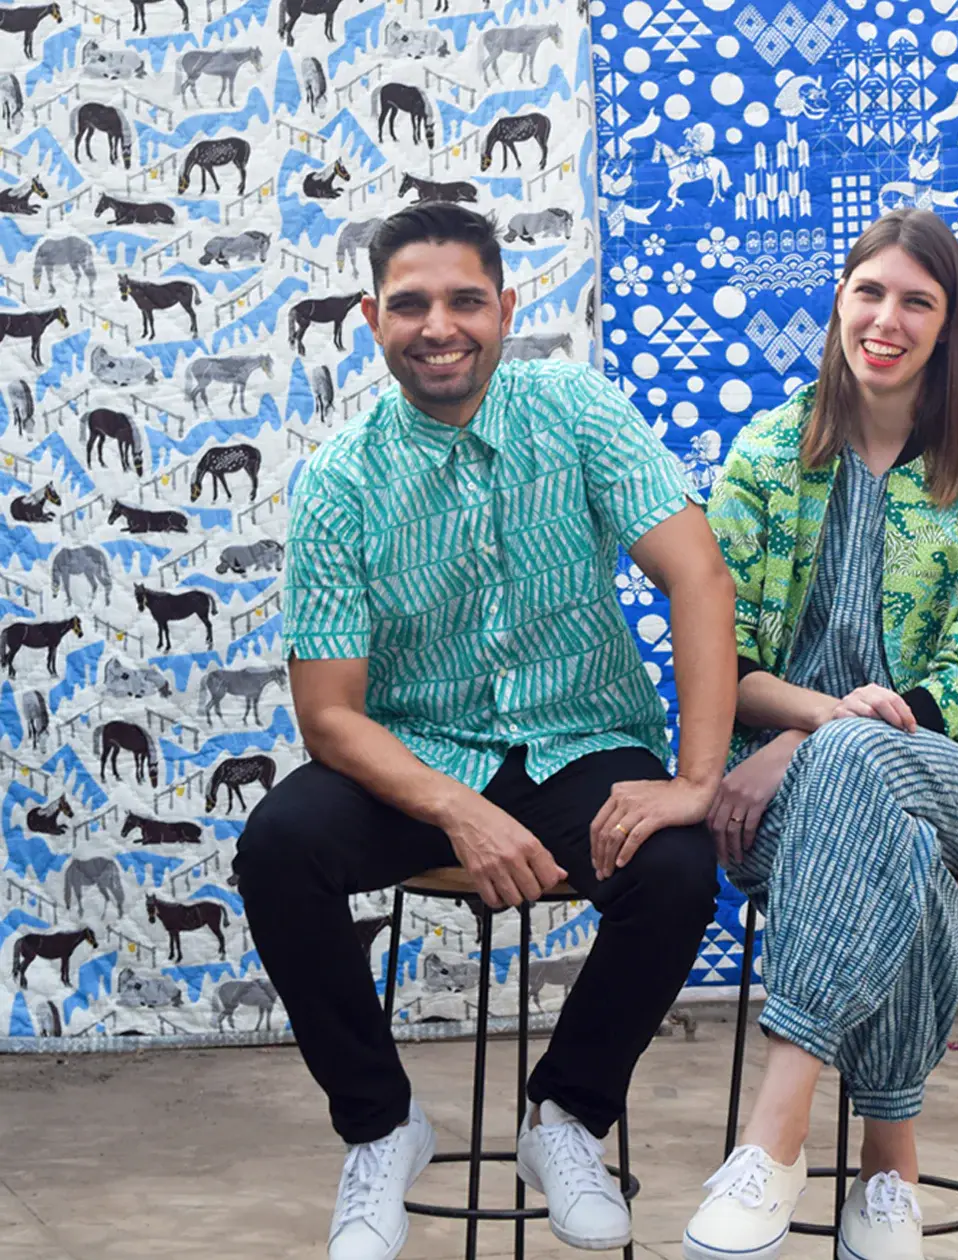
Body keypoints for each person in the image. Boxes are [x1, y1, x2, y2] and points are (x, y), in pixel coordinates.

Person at [233, 202, 737, 1260]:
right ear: (373, 319)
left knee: (680, 866)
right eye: (409, 304)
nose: (439, 325)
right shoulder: (339, 480)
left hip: (579, 734)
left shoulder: (575, 409)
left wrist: (695, 779)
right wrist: (455, 807)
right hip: (420, 751)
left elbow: (697, 573)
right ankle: (381, 1126)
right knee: (278, 847)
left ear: (506, 309)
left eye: (466, 299)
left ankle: (565, 1117)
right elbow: (328, 713)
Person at [686, 208, 958, 1260]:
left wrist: (815, 734)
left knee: (860, 766)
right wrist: (820, 724)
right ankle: (888, 1173)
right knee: (896, 842)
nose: (887, 320)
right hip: (802, 809)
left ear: (949, 325)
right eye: (870, 293)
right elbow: (724, 662)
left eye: (916, 301)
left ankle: (777, 1133)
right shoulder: (769, 455)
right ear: (840, 302)